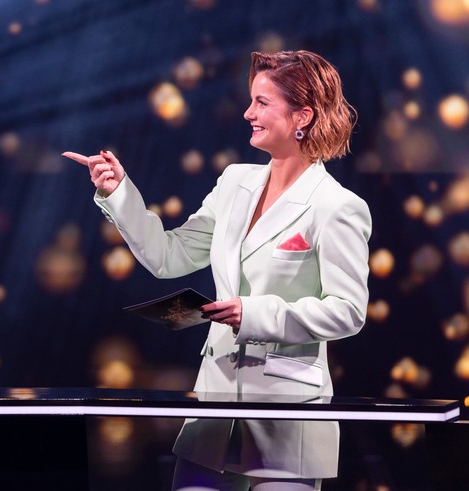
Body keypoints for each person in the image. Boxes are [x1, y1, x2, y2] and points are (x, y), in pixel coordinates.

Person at [64, 50, 371, 491]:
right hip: (213, 412)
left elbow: (347, 311)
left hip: (288, 422)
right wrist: (119, 193)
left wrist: (254, 313)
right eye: (251, 101)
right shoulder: (234, 183)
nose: (249, 113)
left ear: (303, 115)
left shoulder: (337, 206)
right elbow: (168, 256)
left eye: (262, 103)